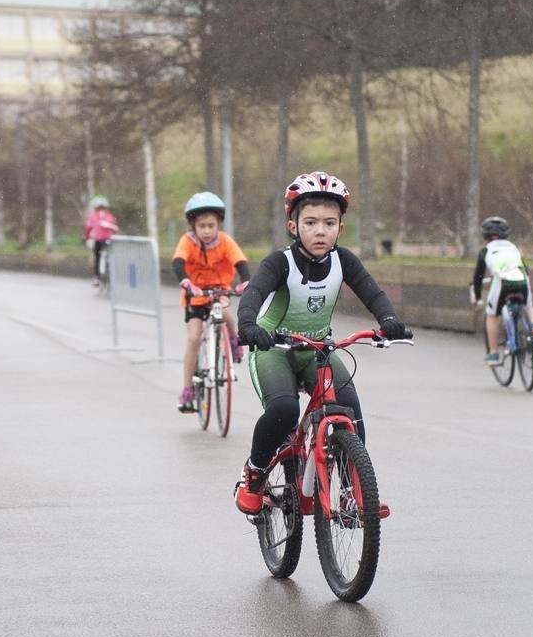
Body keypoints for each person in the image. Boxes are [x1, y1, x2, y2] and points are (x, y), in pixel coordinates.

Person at [233, 171, 412, 516]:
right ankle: (254, 473)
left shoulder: (343, 260)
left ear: (340, 229)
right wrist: (248, 325)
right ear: (293, 225)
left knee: (349, 407)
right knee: (284, 410)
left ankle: (349, 490)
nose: (320, 230)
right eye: (311, 222)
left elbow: (372, 292)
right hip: (274, 349)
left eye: (329, 223)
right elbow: (254, 293)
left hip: (317, 350)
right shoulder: (280, 263)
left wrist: (388, 321)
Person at [172, 192, 251, 413]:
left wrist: (245, 281)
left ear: (218, 225)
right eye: (201, 226)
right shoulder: (187, 241)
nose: (206, 231)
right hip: (195, 295)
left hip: (218, 292)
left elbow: (240, 261)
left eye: (211, 225)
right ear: (193, 226)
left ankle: (234, 341)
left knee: (227, 316)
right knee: (194, 338)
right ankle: (187, 390)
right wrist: (186, 281)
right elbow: (178, 262)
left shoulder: (225, 241)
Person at [470, 216, 533, 367]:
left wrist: (477, 297)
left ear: (484, 235)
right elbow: (525, 267)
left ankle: (493, 354)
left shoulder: (486, 250)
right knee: (529, 307)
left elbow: (478, 277)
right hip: (522, 280)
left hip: (502, 283)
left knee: (492, 316)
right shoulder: (513, 248)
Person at [81, 196, 119, 287]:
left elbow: (88, 228)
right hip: (108, 240)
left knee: (97, 258)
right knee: (110, 257)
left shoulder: (93, 217)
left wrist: (85, 237)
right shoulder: (110, 216)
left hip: (98, 240)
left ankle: (96, 278)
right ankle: (112, 275)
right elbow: (115, 228)